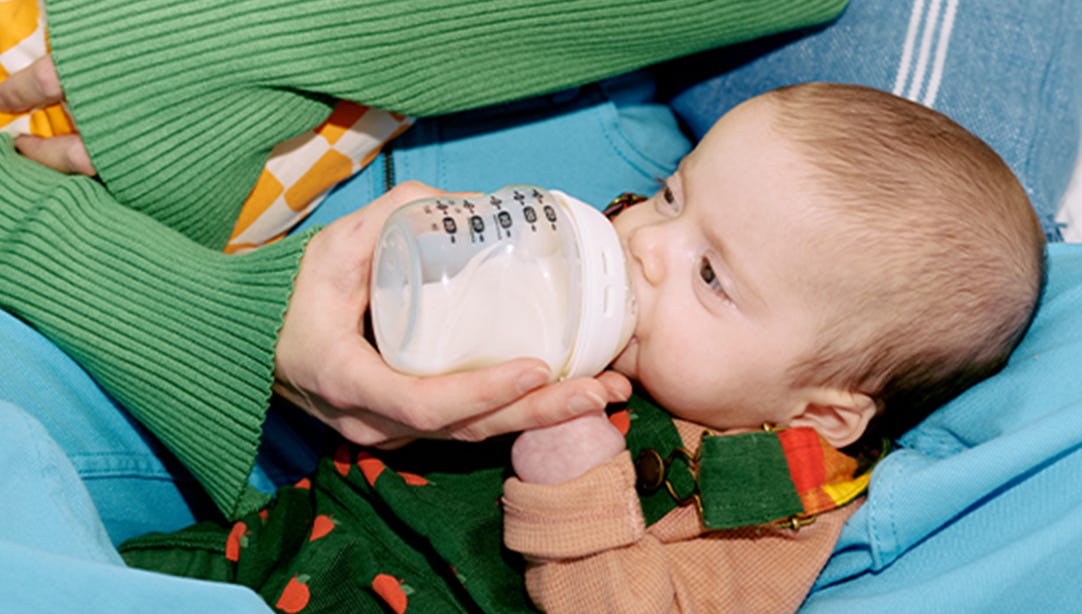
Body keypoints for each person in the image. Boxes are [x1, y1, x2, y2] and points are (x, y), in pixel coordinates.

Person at [116, 83, 1046, 613]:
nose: (647, 242)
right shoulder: (596, 295)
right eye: (674, 194)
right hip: (268, 547)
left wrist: (582, 497)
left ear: (820, 411)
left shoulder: (768, 505)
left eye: (711, 277)